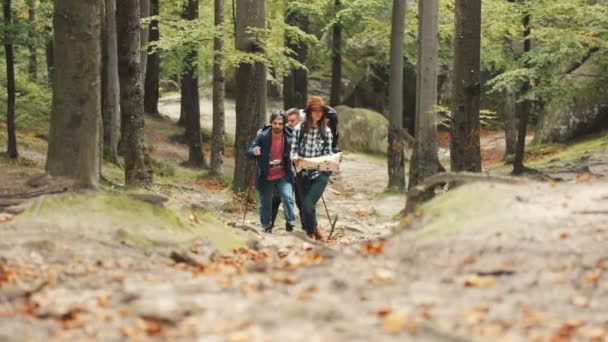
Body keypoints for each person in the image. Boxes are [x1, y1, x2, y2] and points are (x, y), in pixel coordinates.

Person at [291, 96, 334, 240]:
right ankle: (314, 229)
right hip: (302, 174)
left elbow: (328, 155)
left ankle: (309, 235)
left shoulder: (326, 131)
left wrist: (323, 164)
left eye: (320, 110)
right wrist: (296, 159)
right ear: (309, 112)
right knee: (303, 206)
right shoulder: (298, 129)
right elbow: (293, 150)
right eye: (315, 110)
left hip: (320, 175)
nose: (318, 113)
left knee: (308, 205)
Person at [247, 112, 296, 233]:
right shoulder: (263, 136)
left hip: (284, 174)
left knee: (288, 197)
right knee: (265, 202)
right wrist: (254, 151)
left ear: (284, 124)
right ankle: (266, 225)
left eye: (280, 124)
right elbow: (249, 151)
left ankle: (290, 222)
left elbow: (299, 149)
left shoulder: (290, 136)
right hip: (266, 175)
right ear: (271, 123)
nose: (277, 126)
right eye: (275, 123)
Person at [268, 108, 302, 231]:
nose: (289, 124)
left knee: (289, 198)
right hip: (276, 173)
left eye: (292, 121)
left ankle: (291, 224)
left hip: (291, 173)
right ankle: (269, 225)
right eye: (289, 122)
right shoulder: (267, 133)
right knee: (275, 199)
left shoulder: (295, 135)